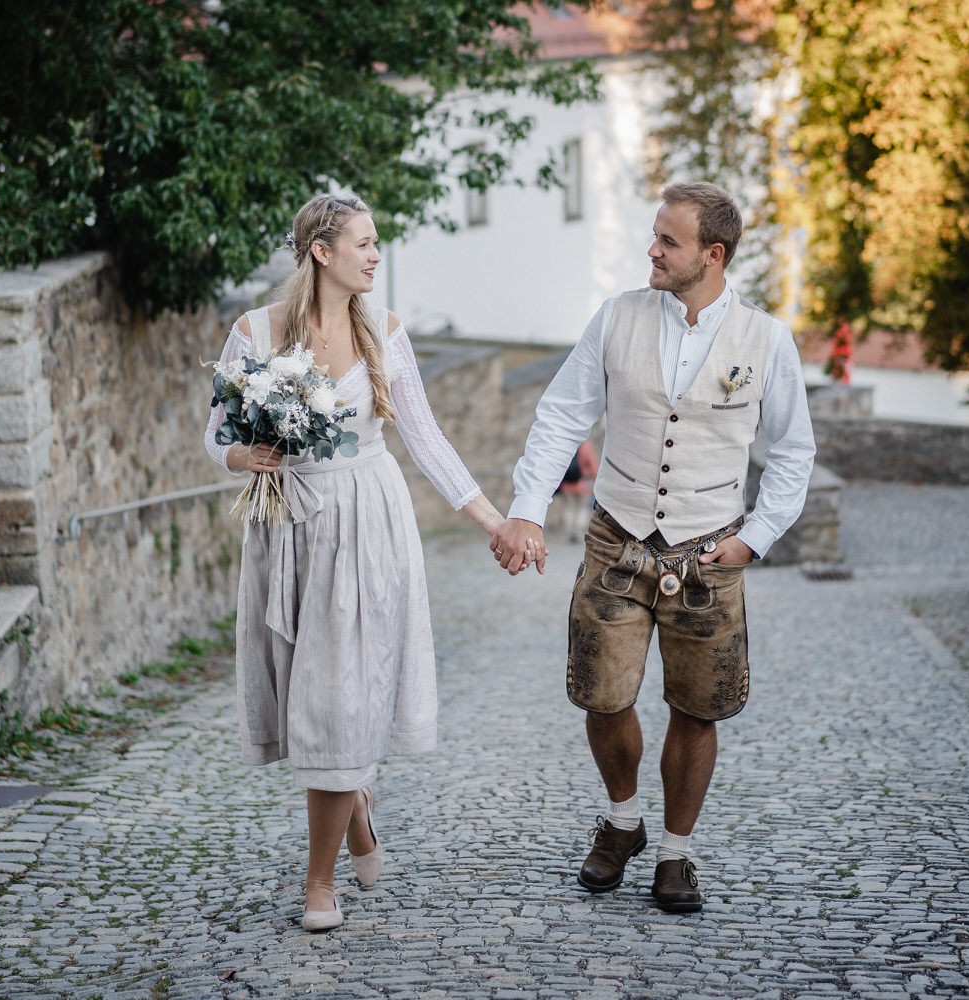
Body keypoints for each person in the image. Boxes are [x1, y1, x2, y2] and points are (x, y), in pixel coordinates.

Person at [490, 182, 815, 913]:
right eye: (655, 235)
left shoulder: (766, 339)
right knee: (601, 696)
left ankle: (676, 852)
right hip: (617, 541)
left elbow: (793, 452)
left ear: (713, 254)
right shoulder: (617, 318)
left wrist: (754, 540)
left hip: (711, 553)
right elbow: (557, 420)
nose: (653, 250)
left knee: (698, 710)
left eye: (668, 240)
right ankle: (623, 819)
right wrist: (527, 513)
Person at [203, 193, 516, 932]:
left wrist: (494, 521)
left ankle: (319, 885)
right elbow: (215, 432)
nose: (377, 256)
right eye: (366, 244)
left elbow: (429, 442)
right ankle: (357, 813)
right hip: (288, 528)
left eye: (377, 244)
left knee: (337, 698)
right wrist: (244, 455)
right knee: (310, 700)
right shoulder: (254, 333)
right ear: (322, 252)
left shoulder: (386, 331)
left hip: (368, 521)